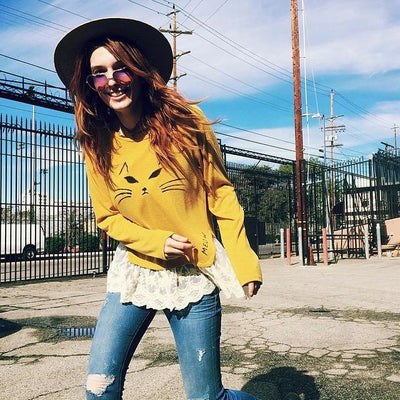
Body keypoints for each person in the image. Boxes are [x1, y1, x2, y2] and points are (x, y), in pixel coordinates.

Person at [54, 17, 263, 400]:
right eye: (99, 73)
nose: (112, 80)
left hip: (193, 272)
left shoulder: (187, 123)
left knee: (207, 398)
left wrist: (244, 261)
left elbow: (220, 193)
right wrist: (155, 242)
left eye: (120, 68)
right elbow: (107, 216)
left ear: (138, 70)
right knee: (98, 389)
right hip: (135, 271)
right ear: (90, 84)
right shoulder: (96, 141)